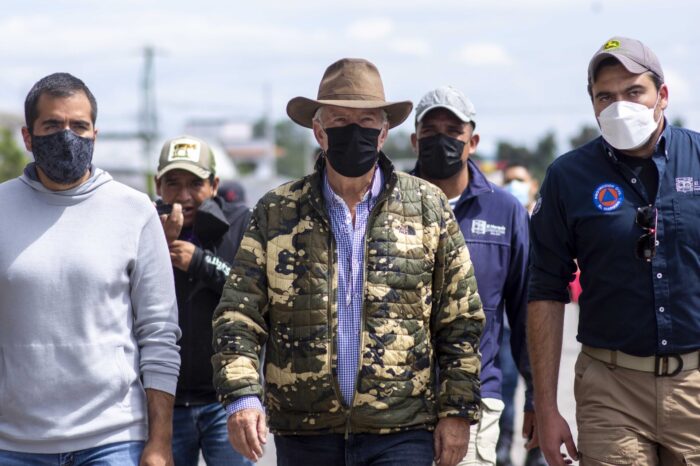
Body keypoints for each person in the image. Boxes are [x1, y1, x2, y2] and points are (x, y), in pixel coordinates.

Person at [212, 58, 486, 466]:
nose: (354, 131)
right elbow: (238, 314)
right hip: (306, 432)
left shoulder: (428, 206)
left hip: (402, 430)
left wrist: (458, 412)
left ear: (383, 133)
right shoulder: (277, 211)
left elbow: (460, 320)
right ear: (319, 132)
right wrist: (241, 397)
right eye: (340, 120)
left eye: (366, 121)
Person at [529, 36, 700, 465]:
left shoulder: (698, 158)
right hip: (611, 389)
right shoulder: (568, 176)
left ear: (661, 96)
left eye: (633, 91)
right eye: (605, 95)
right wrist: (546, 408)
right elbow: (545, 288)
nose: (619, 104)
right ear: (592, 105)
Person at [0, 72, 181, 465]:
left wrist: (160, 441)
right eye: (52, 125)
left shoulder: (134, 212)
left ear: (95, 133)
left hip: (113, 439)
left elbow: (160, 334)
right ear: (28, 137)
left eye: (79, 126)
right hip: (15, 444)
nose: (67, 137)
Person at [410, 86, 535, 466]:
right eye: (430, 132)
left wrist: (536, 399)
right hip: (394, 405)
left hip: (475, 402)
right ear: (415, 141)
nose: (441, 140)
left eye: (453, 131)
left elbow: (527, 311)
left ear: (473, 141)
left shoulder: (506, 212)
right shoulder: (389, 204)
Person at [154, 136, 252, 466]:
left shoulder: (240, 222)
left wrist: (201, 262)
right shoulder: (143, 226)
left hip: (226, 400)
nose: (183, 196)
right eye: (173, 183)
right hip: (164, 402)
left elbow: (253, 293)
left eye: (195, 183)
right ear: (157, 185)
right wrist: (158, 243)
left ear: (214, 185)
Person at [498, 164, 546, 466]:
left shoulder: (542, 220)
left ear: (532, 184)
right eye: (509, 180)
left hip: (539, 322)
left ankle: (536, 449)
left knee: (540, 386)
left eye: (520, 179)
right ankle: (503, 447)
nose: (514, 184)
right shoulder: (502, 218)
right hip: (506, 323)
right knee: (504, 387)